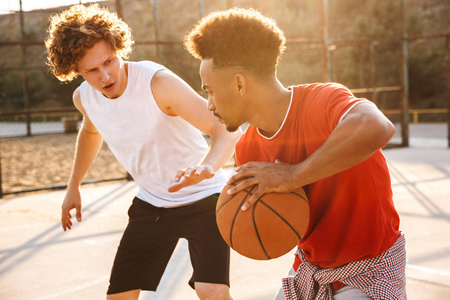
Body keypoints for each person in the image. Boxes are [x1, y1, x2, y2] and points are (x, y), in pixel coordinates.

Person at [184, 7, 406, 300]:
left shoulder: (323, 101)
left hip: (370, 268)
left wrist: (293, 175)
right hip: (310, 268)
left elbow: (377, 126)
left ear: (239, 83)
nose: (209, 104)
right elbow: (278, 218)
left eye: (210, 91)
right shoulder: (247, 147)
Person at [45, 4, 240, 300]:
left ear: (118, 47)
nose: (105, 76)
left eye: (109, 61)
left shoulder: (157, 83)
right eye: (92, 70)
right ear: (74, 71)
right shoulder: (84, 97)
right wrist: (74, 186)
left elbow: (226, 129)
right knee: (119, 297)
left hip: (205, 198)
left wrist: (208, 166)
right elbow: (90, 131)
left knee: (211, 291)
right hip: (153, 204)